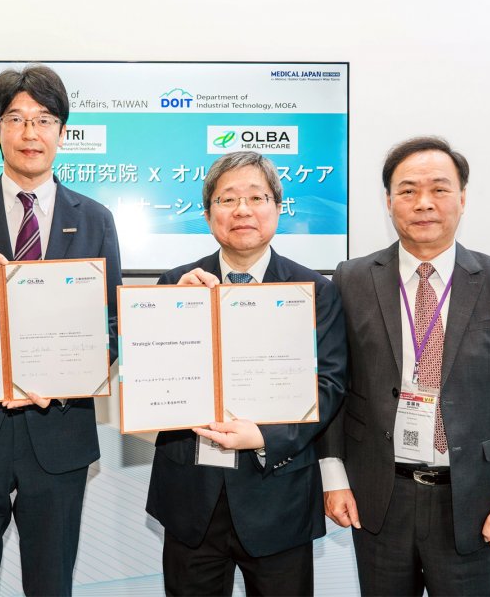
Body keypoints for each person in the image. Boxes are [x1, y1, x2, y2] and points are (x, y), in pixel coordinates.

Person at [0, 64, 121, 596]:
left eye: (44, 119)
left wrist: (68, 376)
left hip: (57, 433)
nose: (30, 132)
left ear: (62, 132)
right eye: (16, 118)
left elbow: (112, 324)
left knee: (51, 584)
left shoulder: (95, 218)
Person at [318, 136, 490, 595]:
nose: (423, 202)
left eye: (439, 189)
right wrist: (333, 475)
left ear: (462, 199)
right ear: (389, 202)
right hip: (379, 496)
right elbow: (333, 384)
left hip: (475, 500)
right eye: (407, 190)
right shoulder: (351, 278)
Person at [145, 151, 346, 596]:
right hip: (192, 498)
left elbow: (329, 386)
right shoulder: (176, 284)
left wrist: (264, 436)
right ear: (207, 213)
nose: (242, 210)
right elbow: (151, 379)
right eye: (227, 199)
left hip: (278, 496)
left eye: (256, 197)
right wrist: (173, 311)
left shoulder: (316, 290)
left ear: (278, 207)